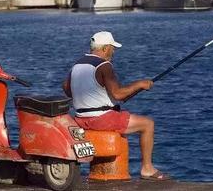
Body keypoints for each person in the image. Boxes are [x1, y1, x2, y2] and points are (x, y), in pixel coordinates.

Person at [62, 31, 170, 181]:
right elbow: (118, 94)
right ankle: (147, 168)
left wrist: (92, 98)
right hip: (101, 119)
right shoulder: (104, 66)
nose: (113, 52)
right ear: (105, 48)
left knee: (124, 115)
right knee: (147, 124)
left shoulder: (78, 64)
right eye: (113, 48)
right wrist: (140, 84)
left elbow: (66, 88)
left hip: (80, 118)